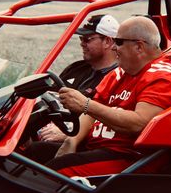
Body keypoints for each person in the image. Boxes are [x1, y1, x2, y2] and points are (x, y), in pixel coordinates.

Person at [41, 16, 171, 177]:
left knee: (56, 171)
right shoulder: (119, 73)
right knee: (33, 153)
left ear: (139, 47)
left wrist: (86, 104)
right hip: (98, 148)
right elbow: (90, 114)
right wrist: (72, 141)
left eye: (118, 42)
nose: (114, 48)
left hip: (130, 159)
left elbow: (139, 123)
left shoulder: (164, 77)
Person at [36, 14, 119, 143]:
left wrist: (68, 133)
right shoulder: (76, 68)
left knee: (36, 150)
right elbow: (48, 96)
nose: (82, 43)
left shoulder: (119, 77)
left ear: (107, 42)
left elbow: (110, 121)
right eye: (81, 38)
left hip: (78, 138)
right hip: (51, 126)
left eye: (87, 39)